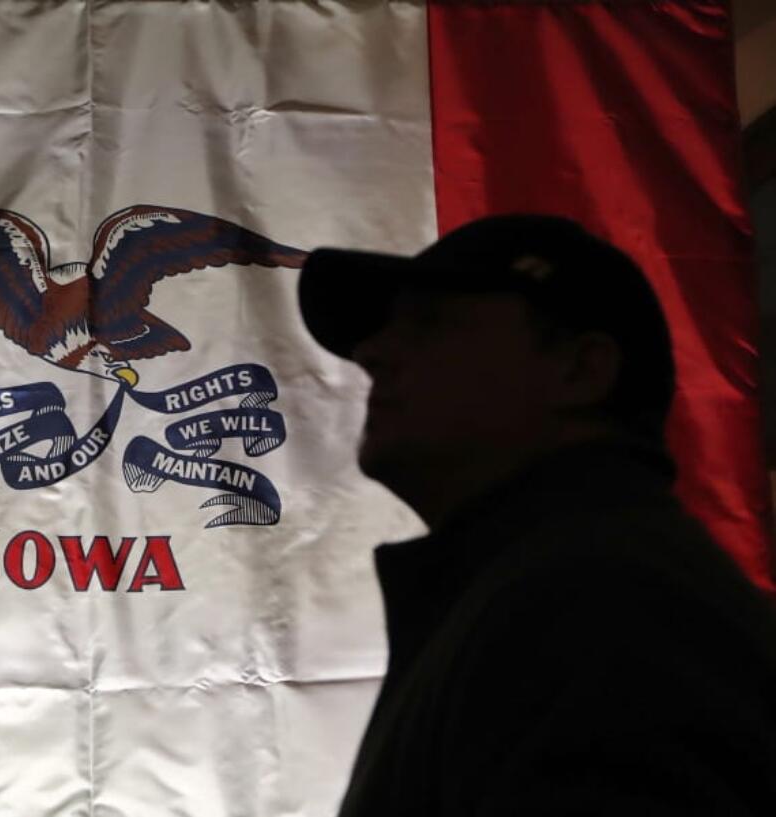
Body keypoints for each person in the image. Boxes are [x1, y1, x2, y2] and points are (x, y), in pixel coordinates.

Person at [297, 214, 776, 816]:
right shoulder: (568, 583)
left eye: (430, 324)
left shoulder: (601, 599)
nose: (372, 354)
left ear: (580, 371)